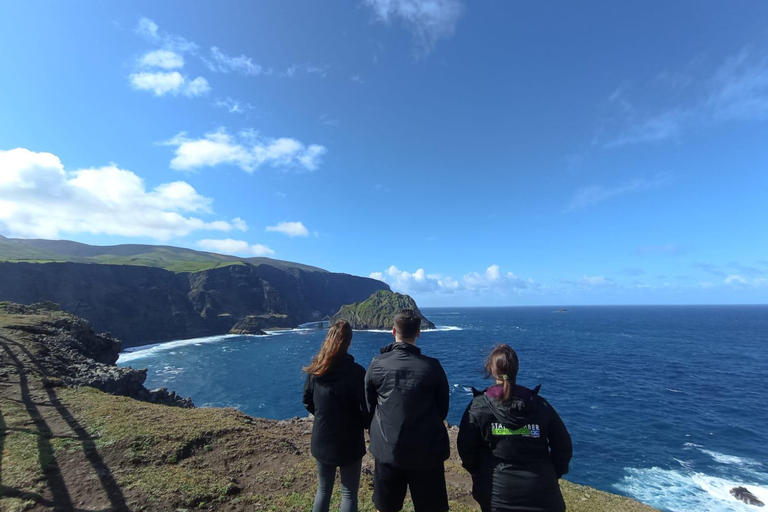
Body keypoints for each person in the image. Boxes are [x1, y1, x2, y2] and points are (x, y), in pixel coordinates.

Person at [457, 344, 572, 512]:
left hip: (498, 494)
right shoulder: (540, 405)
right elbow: (563, 445)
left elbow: (466, 448)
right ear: (515, 370)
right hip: (544, 494)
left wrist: (479, 473)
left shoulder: (479, 407)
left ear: (491, 369)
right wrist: (553, 474)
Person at [365, 309, 450, 512]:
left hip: (388, 449)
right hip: (426, 452)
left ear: (393, 330)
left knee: (386, 508)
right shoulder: (432, 367)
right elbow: (443, 409)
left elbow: (369, 405)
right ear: (419, 332)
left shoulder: (377, 364)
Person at [303, 320, 369, 512]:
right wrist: (362, 423)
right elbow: (366, 409)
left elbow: (307, 400)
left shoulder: (316, 370)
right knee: (348, 493)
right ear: (348, 342)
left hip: (323, 438)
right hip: (350, 440)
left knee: (323, 490)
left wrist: (323, 415)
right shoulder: (357, 372)